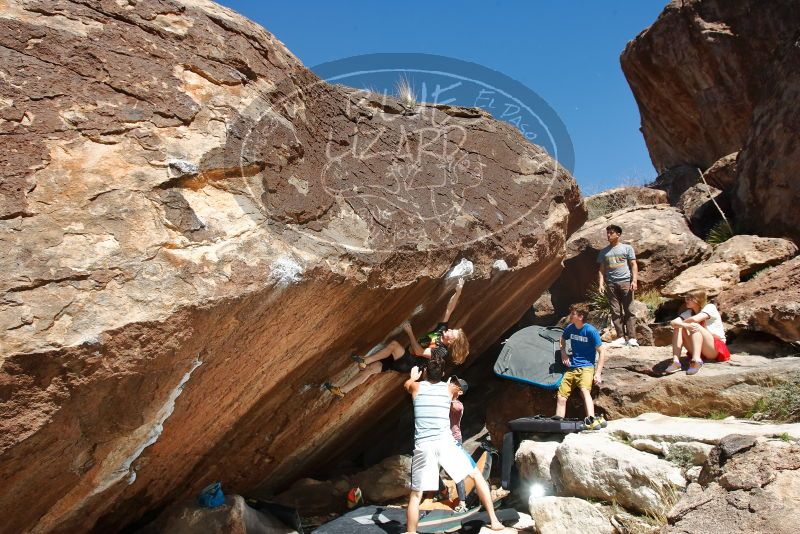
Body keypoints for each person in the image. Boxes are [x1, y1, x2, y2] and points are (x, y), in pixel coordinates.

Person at [404, 358, 504, 533]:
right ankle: (494, 521)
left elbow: (407, 384)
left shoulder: (416, 387)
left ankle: (411, 532)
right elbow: (456, 388)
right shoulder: (449, 389)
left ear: (425, 372)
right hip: (445, 443)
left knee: (416, 493)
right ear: (443, 374)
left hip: (424, 445)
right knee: (476, 476)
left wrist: (414, 376)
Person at [324, 279, 470, 398]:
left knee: (393, 345)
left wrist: (410, 333)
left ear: (451, 341)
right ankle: (342, 390)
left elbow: (419, 351)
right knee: (371, 370)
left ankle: (364, 360)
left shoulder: (441, 352)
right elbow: (449, 309)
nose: (450, 329)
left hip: (408, 363)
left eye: (453, 332)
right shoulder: (441, 330)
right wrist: (459, 291)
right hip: (404, 356)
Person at [556, 304, 607, 430]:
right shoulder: (570, 328)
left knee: (584, 391)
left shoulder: (590, 331)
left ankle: (591, 419)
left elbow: (602, 351)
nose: (570, 316)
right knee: (561, 396)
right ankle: (558, 424)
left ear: (580, 316)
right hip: (572, 367)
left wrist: (598, 372)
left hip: (586, 367)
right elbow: (561, 340)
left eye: (573, 314)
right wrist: (563, 353)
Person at [665, 289, 731, 376]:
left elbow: (695, 319)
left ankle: (696, 361)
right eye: (686, 298)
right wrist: (683, 325)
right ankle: (676, 362)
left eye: (689, 299)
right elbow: (673, 323)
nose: (686, 301)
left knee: (694, 325)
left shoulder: (710, 307)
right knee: (679, 327)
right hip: (700, 349)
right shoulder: (689, 312)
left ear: (697, 299)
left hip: (715, 348)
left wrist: (683, 324)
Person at [597, 224, 639, 347]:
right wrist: (601, 284)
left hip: (626, 282)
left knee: (629, 310)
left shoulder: (627, 248)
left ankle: (632, 338)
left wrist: (634, 280)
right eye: (608, 233)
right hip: (611, 284)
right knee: (615, 311)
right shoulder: (604, 252)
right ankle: (621, 337)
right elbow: (601, 270)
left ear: (618, 234)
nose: (609, 235)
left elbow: (633, 265)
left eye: (611, 233)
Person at [448, 376, 473, 513]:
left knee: (456, 471)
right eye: (452, 382)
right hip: (442, 439)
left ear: (461, 392)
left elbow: (449, 405)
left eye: (455, 384)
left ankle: (463, 503)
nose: (452, 385)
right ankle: (442, 490)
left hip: (454, 440)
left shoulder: (457, 405)